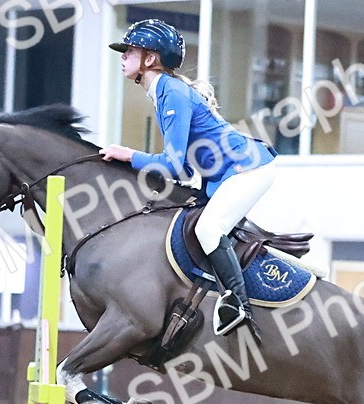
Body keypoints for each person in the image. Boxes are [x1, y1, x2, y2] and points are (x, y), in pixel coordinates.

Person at [100, 19, 277, 343]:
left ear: (151, 59)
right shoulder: (163, 93)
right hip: (225, 175)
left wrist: (129, 155)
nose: (123, 56)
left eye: (130, 51)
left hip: (247, 168)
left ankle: (238, 304)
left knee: (208, 229)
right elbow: (181, 171)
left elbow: (171, 164)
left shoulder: (172, 93)